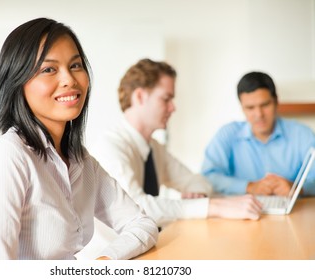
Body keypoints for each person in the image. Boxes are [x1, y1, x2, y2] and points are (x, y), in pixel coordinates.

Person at [0, 18, 158, 260]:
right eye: (48, 69)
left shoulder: (80, 159)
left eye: (76, 65)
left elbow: (141, 224)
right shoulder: (9, 154)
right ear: (17, 82)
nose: (69, 79)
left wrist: (105, 262)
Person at [91, 58, 262, 228]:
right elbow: (135, 208)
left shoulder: (154, 148)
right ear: (140, 96)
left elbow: (198, 182)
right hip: (114, 253)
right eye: (166, 99)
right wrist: (213, 207)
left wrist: (198, 194)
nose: (173, 107)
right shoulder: (111, 146)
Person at [202, 71, 315, 196]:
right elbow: (208, 177)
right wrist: (249, 187)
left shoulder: (302, 134)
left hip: (294, 212)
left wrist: (298, 188)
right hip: (241, 213)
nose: (259, 115)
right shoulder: (227, 134)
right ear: (242, 107)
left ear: (276, 101)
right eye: (250, 108)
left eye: (265, 105)